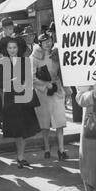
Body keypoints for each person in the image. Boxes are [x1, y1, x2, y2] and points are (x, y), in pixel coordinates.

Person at [0, 38, 41, 169]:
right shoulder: (2, 62)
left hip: (23, 98)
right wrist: (10, 81)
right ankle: (20, 156)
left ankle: (21, 156)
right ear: (6, 49)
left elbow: (29, 80)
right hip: (10, 99)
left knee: (24, 131)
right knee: (17, 130)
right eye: (10, 48)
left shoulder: (24, 62)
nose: (12, 50)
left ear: (18, 48)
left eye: (14, 48)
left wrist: (24, 84)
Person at [32, 33, 70, 161]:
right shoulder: (35, 57)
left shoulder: (57, 54)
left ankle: (61, 149)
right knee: (45, 123)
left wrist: (67, 89)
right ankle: (47, 148)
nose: (48, 43)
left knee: (59, 121)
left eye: (49, 41)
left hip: (57, 89)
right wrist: (44, 85)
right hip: (43, 92)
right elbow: (31, 77)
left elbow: (63, 72)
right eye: (44, 41)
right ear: (40, 43)